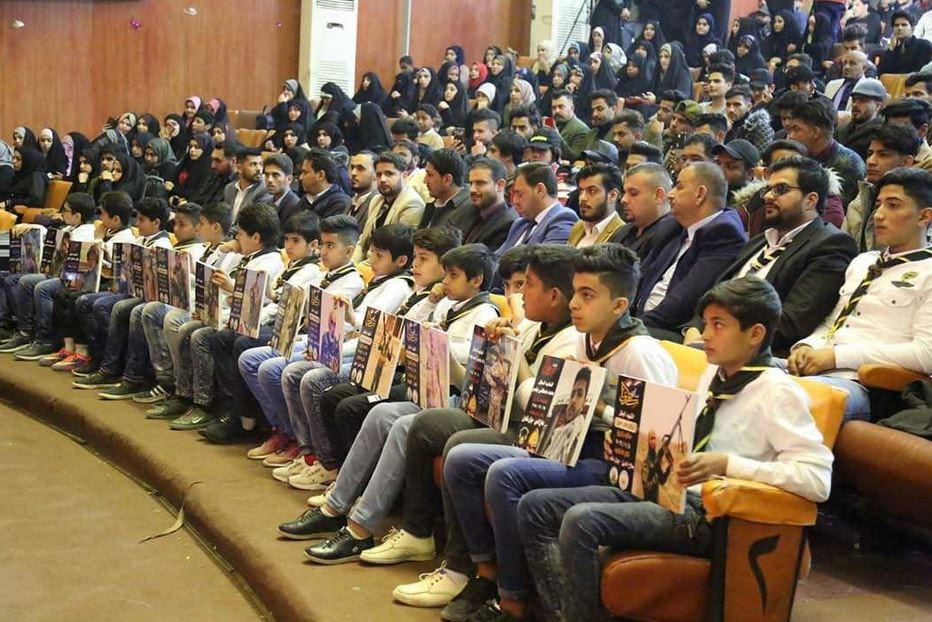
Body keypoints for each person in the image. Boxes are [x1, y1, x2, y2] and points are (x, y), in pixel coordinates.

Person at [519, 276, 833, 622]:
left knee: (583, 520)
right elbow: (676, 442)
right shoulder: (714, 374)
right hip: (667, 491)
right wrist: (626, 440)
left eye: (718, 325)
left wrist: (727, 465)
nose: (705, 335)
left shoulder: (778, 392)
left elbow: (817, 479)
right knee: (536, 506)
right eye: (705, 324)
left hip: (712, 514)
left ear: (755, 333)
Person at [438, 244, 677, 622]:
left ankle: (513, 600)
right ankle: (486, 576)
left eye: (588, 295)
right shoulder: (585, 339)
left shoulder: (642, 353)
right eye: (575, 292)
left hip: (613, 465)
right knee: (464, 459)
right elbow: (545, 406)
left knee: (505, 474)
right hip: (572, 446)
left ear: (619, 305)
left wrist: (600, 409)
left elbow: (661, 442)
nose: (574, 303)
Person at [285, 243, 500, 564]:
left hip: (454, 398)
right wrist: (429, 309)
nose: (445, 281)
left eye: (453, 276)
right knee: (381, 414)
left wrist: (433, 342)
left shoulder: (485, 314)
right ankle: (334, 508)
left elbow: (469, 367)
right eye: (445, 274)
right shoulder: (447, 304)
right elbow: (408, 329)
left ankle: (360, 527)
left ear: (477, 280)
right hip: (426, 390)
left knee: (398, 423)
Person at [789, 167, 932, 421]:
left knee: (784, 397)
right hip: (821, 368)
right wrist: (807, 345)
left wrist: (836, 357)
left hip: (868, 385)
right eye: (878, 205)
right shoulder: (863, 261)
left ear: (924, 216)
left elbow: (925, 354)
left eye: (893, 205)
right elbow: (833, 322)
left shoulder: (928, 271)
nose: (879, 215)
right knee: (739, 372)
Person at [683, 156, 858, 356]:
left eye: (781, 189)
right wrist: (694, 328)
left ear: (810, 200)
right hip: (711, 340)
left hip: (762, 354)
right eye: (768, 189)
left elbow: (793, 322)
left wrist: (722, 338)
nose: (767, 196)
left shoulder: (831, 245)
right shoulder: (759, 242)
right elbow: (716, 294)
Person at [199, 212, 325, 442]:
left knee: (242, 341)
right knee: (222, 337)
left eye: (296, 241)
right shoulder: (291, 266)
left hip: (290, 330)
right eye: (287, 239)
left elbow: (281, 308)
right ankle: (230, 409)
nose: (288, 245)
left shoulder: (311, 272)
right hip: (270, 321)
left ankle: (246, 419)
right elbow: (270, 301)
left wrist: (248, 311)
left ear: (313, 245)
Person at [165, 203, 284, 430]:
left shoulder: (270, 262)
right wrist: (223, 253)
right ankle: (187, 396)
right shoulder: (245, 255)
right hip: (229, 316)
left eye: (240, 234)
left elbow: (262, 305)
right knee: (190, 330)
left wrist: (231, 291)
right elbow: (216, 281)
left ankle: (210, 405)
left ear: (255, 237)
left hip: (252, 323)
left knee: (203, 336)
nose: (236, 239)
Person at [634, 162, 746, 340]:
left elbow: (683, 303)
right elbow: (639, 276)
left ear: (700, 194)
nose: (670, 194)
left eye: (679, 187)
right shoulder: (672, 226)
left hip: (674, 330)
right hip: (642, 321)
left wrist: (629, 327)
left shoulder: (724, 234)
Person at [844, 123, 923, 252]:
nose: (871, 161)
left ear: (906, 162)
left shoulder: (919, 204)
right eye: (870, 153)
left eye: (883, 155)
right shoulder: (859, 202)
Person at [783, 98, 865, 205]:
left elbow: (838, 209)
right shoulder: (796, 156)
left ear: (815, 132)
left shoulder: (850, 164)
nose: (790, 136)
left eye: (796, 129)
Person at [353, 152, 425, 263]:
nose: (382, 179)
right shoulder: (376, 200)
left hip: (387, 266)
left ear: (404, 176)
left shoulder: (412, 204)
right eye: (379, 174)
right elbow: (363, 240)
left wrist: (359, 268)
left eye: (389, 174)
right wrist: (351, 265)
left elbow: (396, 250)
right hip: (366, 262)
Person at [612, 162, 674, 260]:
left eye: (633, 193)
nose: (623, 200)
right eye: (624, 193)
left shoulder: (671, 237)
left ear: (659, 196)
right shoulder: (622, 231)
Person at [567, 163, 624, 248]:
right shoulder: (578, 227)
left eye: (592, 191)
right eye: (581, 191)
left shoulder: (621, 235)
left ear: (612, 195)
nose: (583, 198)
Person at [419, 148, 471, 230]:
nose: (425, 181)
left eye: (430, 175)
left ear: (447, 179)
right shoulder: (436, 202)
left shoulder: (466, 210)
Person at [835, 78, 887, 161]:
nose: (855, 104)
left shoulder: (882, 133)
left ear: (878, 106)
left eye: (862, 101)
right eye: (854, 100)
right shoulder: (840, 130)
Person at [296, 149, 351, 220]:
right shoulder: (305, 199)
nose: (300, 177)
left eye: (305, 173)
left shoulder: (340, 203)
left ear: (321, 175)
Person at [222, 147, 270, 222]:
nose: (259, 169)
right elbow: (225, 217)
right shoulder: (229, 188)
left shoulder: (264, 190)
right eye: (253, 164)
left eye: (261, 164)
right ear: (239, 168)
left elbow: (252, 222)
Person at [723, 85, 774, 154]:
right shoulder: (730, 129)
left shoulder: (760, 127)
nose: (731, 109)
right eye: (728, 105)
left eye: (737, 105)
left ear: (749, 106)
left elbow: (762, 155)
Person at [878, 11, 932, 75]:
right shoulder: (891, 50)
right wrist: (891, 50)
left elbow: (921, 72)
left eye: (904, 25)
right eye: (896, 25)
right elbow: (882, 73)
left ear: (912, 28)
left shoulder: (923, 46)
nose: (899, 28)